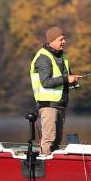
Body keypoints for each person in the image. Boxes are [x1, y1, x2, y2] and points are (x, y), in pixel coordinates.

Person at [30, 26, 82, 155]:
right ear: (51, 40)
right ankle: (45, 165)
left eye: (64, 39)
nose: (64, 42)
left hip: (61, 104)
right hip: (48, 105)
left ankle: (54, 167)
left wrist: (73, 83)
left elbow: (65, 79)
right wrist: (66, 79)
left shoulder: (63, 56)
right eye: (61, 39)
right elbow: (46, 82)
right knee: (49, 139)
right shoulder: (43, 57)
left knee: (57, 139)